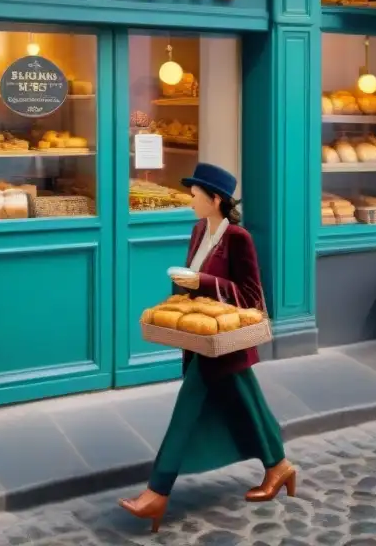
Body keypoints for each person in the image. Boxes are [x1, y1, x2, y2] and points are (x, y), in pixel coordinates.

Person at [119, 162, 296, 533]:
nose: (190, 199)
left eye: (195, 194)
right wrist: (183, 287)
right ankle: (279, 466)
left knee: (187, 411)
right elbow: (192, 285)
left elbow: (251, 298)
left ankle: (157, 492)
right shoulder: (198, 229)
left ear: (215, 199)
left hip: (226, 340)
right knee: (249, 403)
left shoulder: (238, 239)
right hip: (204, 339)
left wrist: (202, 280)